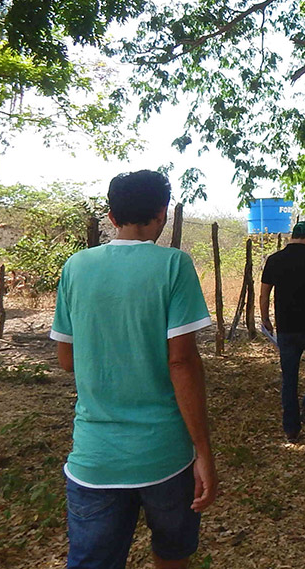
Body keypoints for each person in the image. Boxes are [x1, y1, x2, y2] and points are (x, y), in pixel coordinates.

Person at [50, 170, 217, 569]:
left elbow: (66, 359)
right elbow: (181, 361)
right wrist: (204, 451)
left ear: (111, 216)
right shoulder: (173, 265)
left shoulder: (76, 267)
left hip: (94, 458)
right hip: (165, 456)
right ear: (161, 214)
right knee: (172, 554)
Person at [259, 220, 305, 442]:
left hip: (286, 329)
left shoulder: (274, 260)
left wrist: (265, 319)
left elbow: (264, 294)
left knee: (289, 378)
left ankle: (291, 429)